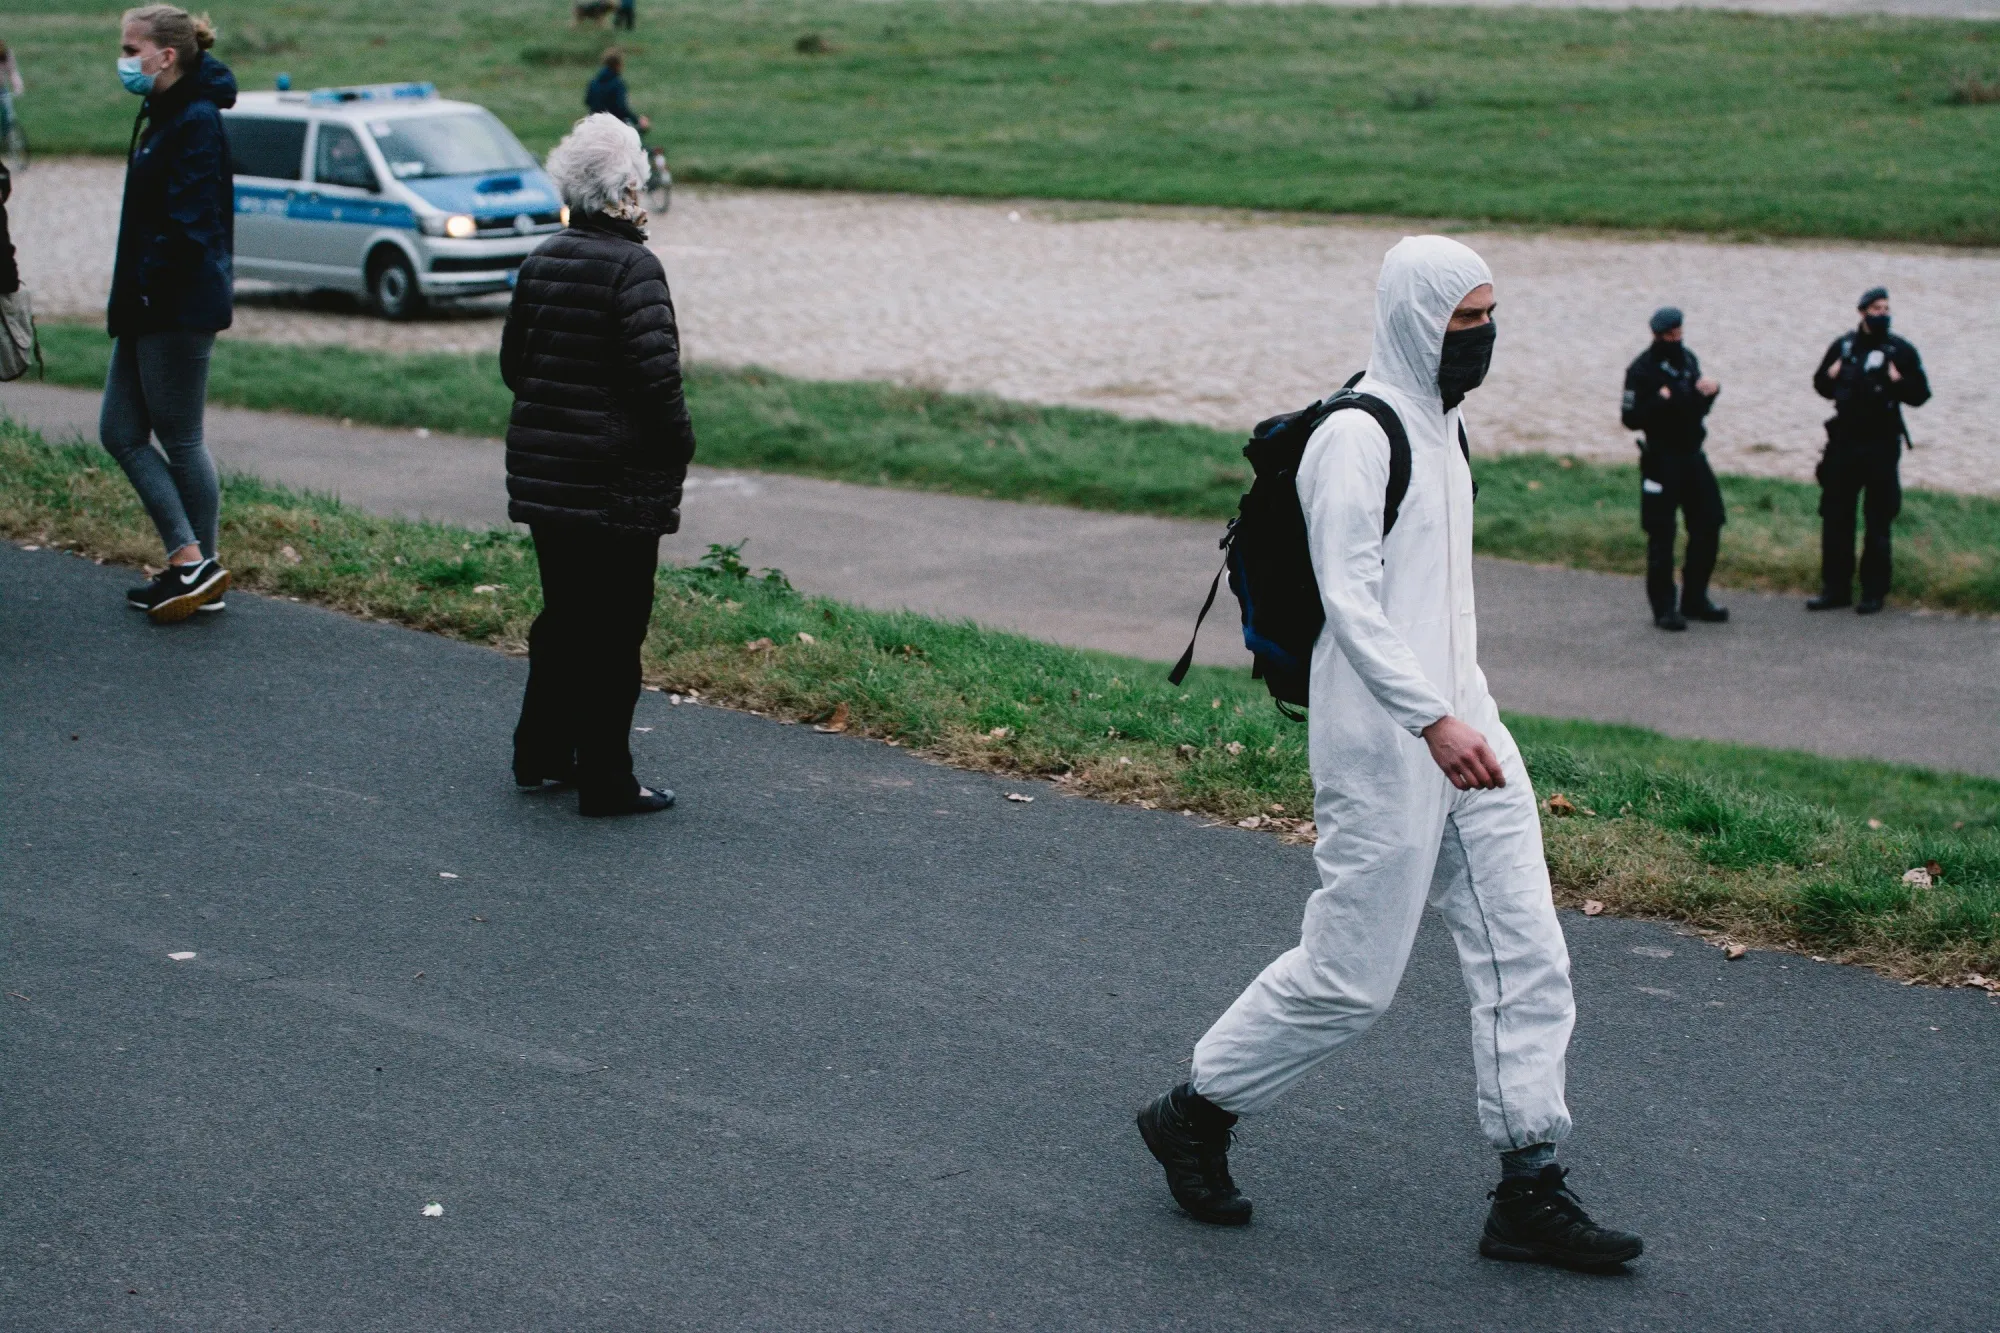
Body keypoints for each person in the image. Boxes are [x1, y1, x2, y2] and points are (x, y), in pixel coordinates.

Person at [1136, 237, 1643, 1271]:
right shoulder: (1355, 439)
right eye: (1462, 321)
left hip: (1467, 726)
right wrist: (1428, 721)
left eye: (1489, 316)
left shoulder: (1443, 427)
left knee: (1524, 951)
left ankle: (1527, 1183)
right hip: (1382, 742)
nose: (1481, 339)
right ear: (1412, 319)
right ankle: (1194, 1110)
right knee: (1350, 980)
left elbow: (1439, 606)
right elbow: (1352, 606)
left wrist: (1467, 717)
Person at [500, 113, 695, 818]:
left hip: (547, 476)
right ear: (624, 191)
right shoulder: (635, 268)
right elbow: (658, 383)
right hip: (616, 484)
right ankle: (607, 778)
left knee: (565, 618)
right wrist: (680, 445)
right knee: (615, 631)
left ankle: (542, 751)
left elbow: (514, 367)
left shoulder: (541, 259)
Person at [101, 5, 237, 624]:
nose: (125, 61)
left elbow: (190, 224)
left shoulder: (196, 121)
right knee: (121, 432)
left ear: (167, 56)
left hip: (173, 306)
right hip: (147, 302)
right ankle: (196, 568)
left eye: (133, 50)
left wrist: (150, 289)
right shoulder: (163, 113)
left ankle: (195, 564)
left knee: (180, 438)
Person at [1808, 287, 1930, 615]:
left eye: (1886, 308)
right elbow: (1820, 384)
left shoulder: (1900, 350)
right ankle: (1835, 588)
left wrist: (1898, 381)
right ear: (1862, 312)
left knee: (1878, 520)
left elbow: (1921, 394)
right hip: (1844, 443)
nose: (1882, 313)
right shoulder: (1843, 346)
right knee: (1835, 518)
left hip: (1880, 444)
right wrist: (1828, 376)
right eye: (1876, 308)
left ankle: (1874, 592)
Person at [1620, 306, 1725, 631]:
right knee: (1661, 534)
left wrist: (1710, 394)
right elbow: (1630, 418)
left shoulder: (1688, 359)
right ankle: (1664, 607)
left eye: (1679, 333)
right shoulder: (1641, 370)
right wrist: (1660, 401)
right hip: (1660, 461)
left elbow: (1694, 407)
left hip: (1693, 455)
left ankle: (1695, 598)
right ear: (1657, 335)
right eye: (1670, 335)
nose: (1676, 339)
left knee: (1709, 522)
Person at [584, 48, 649, 135]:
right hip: (614, 126)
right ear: (618, 65)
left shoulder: (594, 81)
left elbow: (587, 101)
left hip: (594, 123)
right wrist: (638, 120)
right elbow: (621, 108)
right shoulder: (617, 83)